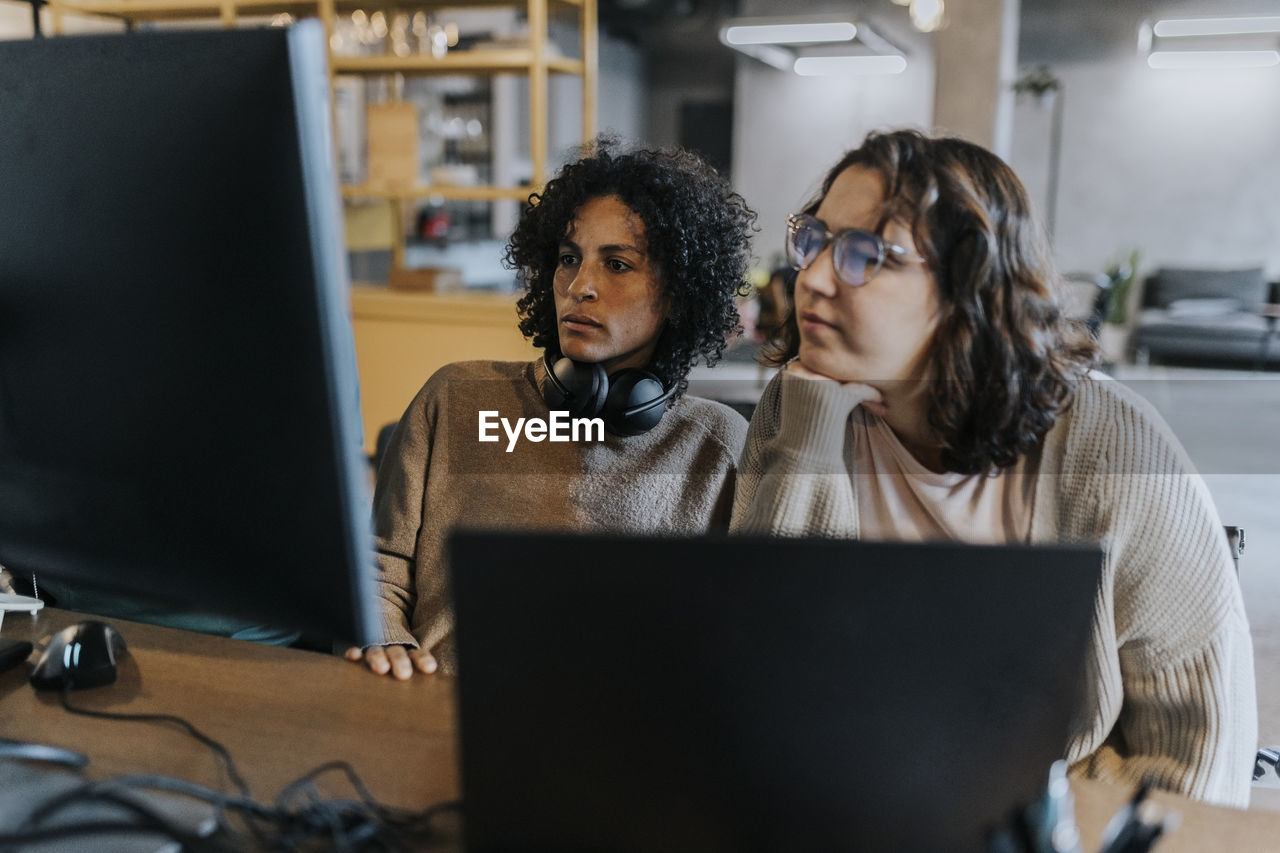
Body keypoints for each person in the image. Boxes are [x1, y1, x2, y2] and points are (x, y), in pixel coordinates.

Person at [731, 129, 1256, 806]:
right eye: (815, 240)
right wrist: (806, 439)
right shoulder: (798, 403)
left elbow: (1199, 747)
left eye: (866, 255)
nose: (814, 276)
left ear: (966, 287)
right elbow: (761, 686)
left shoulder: (1110, 446)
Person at [348, 140, 755, 679]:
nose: (581, 286)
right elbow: (378, 569)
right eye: (569, 259)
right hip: (431, 710)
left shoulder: (717, 444)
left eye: (617, 264)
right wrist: (386, 641)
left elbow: (745, 629)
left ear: (679, 291)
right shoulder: (455, 398)